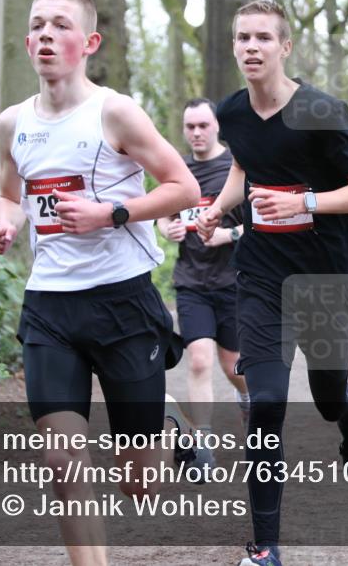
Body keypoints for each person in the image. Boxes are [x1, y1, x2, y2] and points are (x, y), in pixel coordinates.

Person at [0, 0, 202, 566]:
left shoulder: (116, 112)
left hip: (121, 304)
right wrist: (5, 225)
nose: (46, 35)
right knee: (62, 461)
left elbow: (185, 188)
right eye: (37, 26)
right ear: (28, 41)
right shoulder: (13, 123)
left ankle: (165, 429)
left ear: (89, 43)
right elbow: (11, 196)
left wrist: (113, 213)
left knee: (141, 485)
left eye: (61, 25)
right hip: (50, 308)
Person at [196, 0, 348, 566]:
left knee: (326, 397)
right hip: (261, 278)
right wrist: (217, 209)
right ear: (234, 46)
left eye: (262, 38)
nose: (251, 47)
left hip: (323, 279)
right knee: (267, 402)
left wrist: (304, 200)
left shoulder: (322, 111)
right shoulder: (231, 113)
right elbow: (243, 168)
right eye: (242, 38)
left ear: (285, 47)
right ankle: (265, 547)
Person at [156, 99, 250, 445]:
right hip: (191, 281)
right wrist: (166, 229)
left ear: (217, 127)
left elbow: (262, 222)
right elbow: (162, 214)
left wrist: (231, 234)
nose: (196, 133)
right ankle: (203, 442)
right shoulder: (178, 170)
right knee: (198, 360)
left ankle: (247, 400)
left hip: (232, 280)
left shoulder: (236, 167)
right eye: (190, 126)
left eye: (203, 126)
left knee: (233, 365)